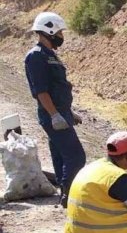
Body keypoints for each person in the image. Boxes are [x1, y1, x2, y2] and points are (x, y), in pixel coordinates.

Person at [24, 12, 86, 208]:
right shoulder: (36, 56)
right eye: (59, 32)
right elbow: (40, 91)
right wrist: (54, 115)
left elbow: (57, 87)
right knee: (76, 156)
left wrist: (68, 112)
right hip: (53, 115)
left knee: (61, 155)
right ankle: (69, 193)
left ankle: (64, 195)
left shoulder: (50, 55)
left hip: (61, 112)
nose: (61, 36)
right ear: (48, 30)